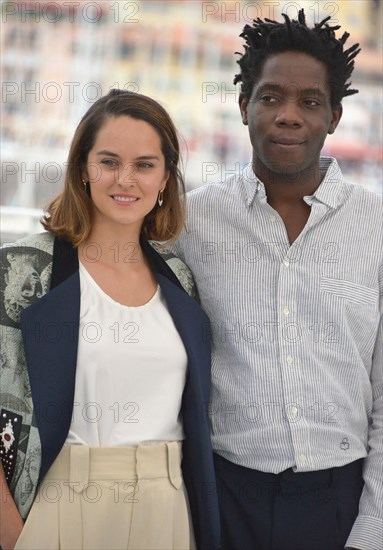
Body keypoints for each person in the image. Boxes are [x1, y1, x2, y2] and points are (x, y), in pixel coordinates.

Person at [171, 9, 382, 550]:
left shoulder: (377, 227)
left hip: (342, 497)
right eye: (270, 97)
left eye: (310, 102)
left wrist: (372, 528)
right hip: (221, 493)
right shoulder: (188, 224)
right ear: (245, 107)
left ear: (334, 116)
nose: (289, 115)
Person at [0, 89, 220, 550]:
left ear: (164, 179)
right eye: (109, 161)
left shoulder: (180, 280)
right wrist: (10, 533)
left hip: (167, 508)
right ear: (83, 168)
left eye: (144, 164)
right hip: (61, 504)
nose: (126, 179)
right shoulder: (21, 269)